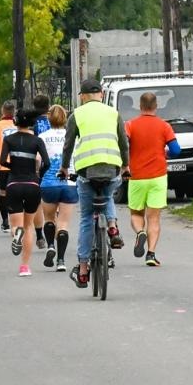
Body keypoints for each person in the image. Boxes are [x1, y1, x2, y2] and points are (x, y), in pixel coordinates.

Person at [60, 78, 129, 290]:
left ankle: (82, 269)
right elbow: (123, 142)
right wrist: (125, 166)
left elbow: (68, 145)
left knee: (87, 218)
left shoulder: (76, 115)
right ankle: (112, 228)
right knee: (107, 195)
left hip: (86, 171)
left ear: (82, 96)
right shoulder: (113, 113)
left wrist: (64, 168)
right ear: (100, 94)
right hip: (111, 168)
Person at [124, 92, 181, 267]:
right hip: (158, 176)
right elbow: (176, 150)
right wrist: (165, 152)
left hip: (137, 176)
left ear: (140, 107)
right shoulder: (164, 126)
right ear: (156, 107)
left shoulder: (130, 125)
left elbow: (124, 147)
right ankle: (151, 254)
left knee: (136, 213)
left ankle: (140, 232)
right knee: (154, 218)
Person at [0, 107, 50, 277]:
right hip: (32, 184)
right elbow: (47, 163)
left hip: (13, 184)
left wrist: (12, 167)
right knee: (28, 226)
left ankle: (15, 234)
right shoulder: (37, 141)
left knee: (16, 225)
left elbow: (1, 161)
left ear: (15, 122)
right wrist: (38, 176)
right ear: (32, 124)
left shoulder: (9, 139)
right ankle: (25, 266)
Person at [37, 104, 75, 271]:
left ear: (49, 118)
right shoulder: (72, 136)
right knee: (64, 223)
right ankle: (61, 260)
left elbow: (38, 160)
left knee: (49, 218)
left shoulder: (43, 137)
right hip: (69, 183)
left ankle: (50, 244)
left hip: (48, 183)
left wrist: (38, 174)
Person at [0, 100, 18, 234]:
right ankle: (16, 221)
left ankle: (5, 221)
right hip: (17, 163)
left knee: (4, 192)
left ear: (2, 111)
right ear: (13, 112)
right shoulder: (17, 124)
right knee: (16, 192)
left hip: (2, 163)